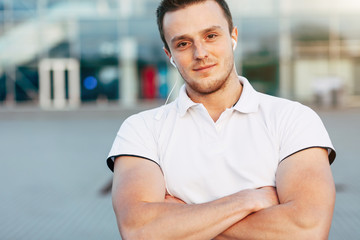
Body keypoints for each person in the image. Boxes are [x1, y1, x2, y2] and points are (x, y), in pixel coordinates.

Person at [107, 0, 336, 239]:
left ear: (233, 36)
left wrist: (181, 221)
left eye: (211, 35)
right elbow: (139, 230)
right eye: (183, 43)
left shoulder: (294, 119)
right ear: (169, 54)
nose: (201, 53)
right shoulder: (141, 129)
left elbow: (307, 229)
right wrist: (247, 200)